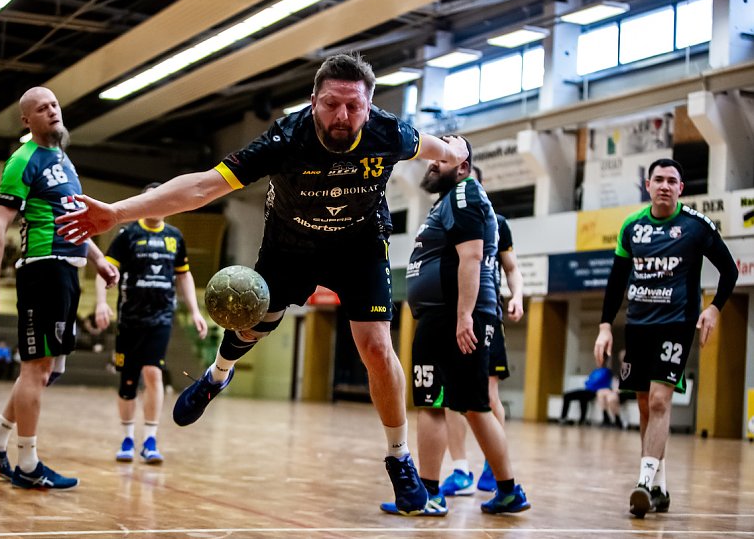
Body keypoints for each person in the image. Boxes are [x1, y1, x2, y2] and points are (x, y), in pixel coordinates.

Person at [56, 53, 470, 514]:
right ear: (313, 101)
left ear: (369, 108)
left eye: (354, 106)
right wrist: (118, 212)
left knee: (376, 347)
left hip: (359, 247)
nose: (342, 115)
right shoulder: (285, 138)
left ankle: (399, 458)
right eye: (331, 104)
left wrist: (456, 151)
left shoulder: (389, 133)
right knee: (251, 327)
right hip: (290, 246)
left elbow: (440, 149)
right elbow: (203, 187)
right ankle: (217, 376)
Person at [0, 86, 119, 491]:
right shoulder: (24, 160)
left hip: (67, 270)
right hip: (43, 269)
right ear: (27, 120)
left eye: (54, 104)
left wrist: (98, 259)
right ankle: (28, 464)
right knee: (36, 367)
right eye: (42, 108)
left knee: (50, 368)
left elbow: (73, 219)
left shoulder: (63, 160)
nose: (52, 111)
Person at [380, 141, 529, 516]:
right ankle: (430, 492)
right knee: (432, 403)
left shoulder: (466, 195)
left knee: (475, 406)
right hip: (437, 318)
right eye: (432, 157)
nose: (433, 163)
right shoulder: (446, 201)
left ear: (462, 167)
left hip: (457, 318)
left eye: (442, 158)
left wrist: (465, 316)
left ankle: (508, 490)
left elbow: (473, 257)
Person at [594, 158, 738, 518]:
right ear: (647, 185)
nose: (664, 186)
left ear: (680, 189)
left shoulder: (695, 226)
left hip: (676, 324)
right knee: (645, 404)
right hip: (638, 325)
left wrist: (714, 308)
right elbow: (616, 280)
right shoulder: (632, 227)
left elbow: (729, 270)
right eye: (658, 179)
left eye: (672, 181)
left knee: (659, 401)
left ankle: (643, 483)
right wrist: (605, 325)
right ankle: (659, 488)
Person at [94, 182, 208, 464]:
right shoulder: (127, 235)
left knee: (154, 373)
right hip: (130, 319)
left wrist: (195, 311)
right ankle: (127, 438)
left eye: (162, 200)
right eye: (151, 200)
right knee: (128, 381)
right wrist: (101, 302)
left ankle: (150, 440)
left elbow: (184, 275)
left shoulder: (174, 237)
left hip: (161, 317)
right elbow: (104, 269)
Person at [440, 164, 524, 496]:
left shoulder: (497, 223)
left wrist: (517, 296)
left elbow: (511, 267)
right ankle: (460, 470)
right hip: (451, 315)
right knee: (451, 396)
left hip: (485, 315)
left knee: (488, 394)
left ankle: (493, 463)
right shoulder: (444, 217)